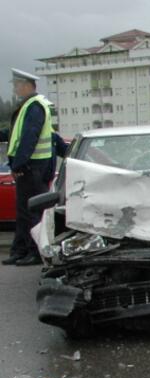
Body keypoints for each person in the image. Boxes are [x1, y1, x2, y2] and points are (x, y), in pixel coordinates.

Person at [4, 69, 55, 266]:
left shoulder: (34, 106)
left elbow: (29, 138)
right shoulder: (29, 106)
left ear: (26, 85)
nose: (15, 89)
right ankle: (20, 250)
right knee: (24, 212)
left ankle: (34, 253)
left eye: (17, 85)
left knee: (33, 212)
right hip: (30, 168)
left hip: (32, 167)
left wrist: (18, 164)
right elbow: (17, 134)